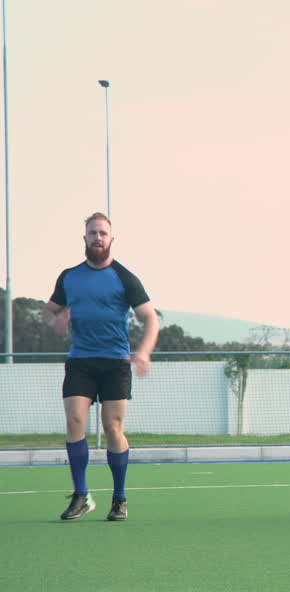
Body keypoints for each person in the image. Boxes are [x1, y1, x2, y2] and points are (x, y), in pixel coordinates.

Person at [44, 213, 159, 522]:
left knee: (113, 427)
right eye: (93, 233)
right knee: (74, 421)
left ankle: (119, 499)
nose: (97, 237)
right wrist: (57, 320)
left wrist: (144, 352)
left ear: (111, 239)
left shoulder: (125, 278)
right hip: (80, 361)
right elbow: (49, 311)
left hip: (115, 364)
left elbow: (150, 317)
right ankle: (81, 496)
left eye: (103, 233)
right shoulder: (69, 277)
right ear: (84, 238)